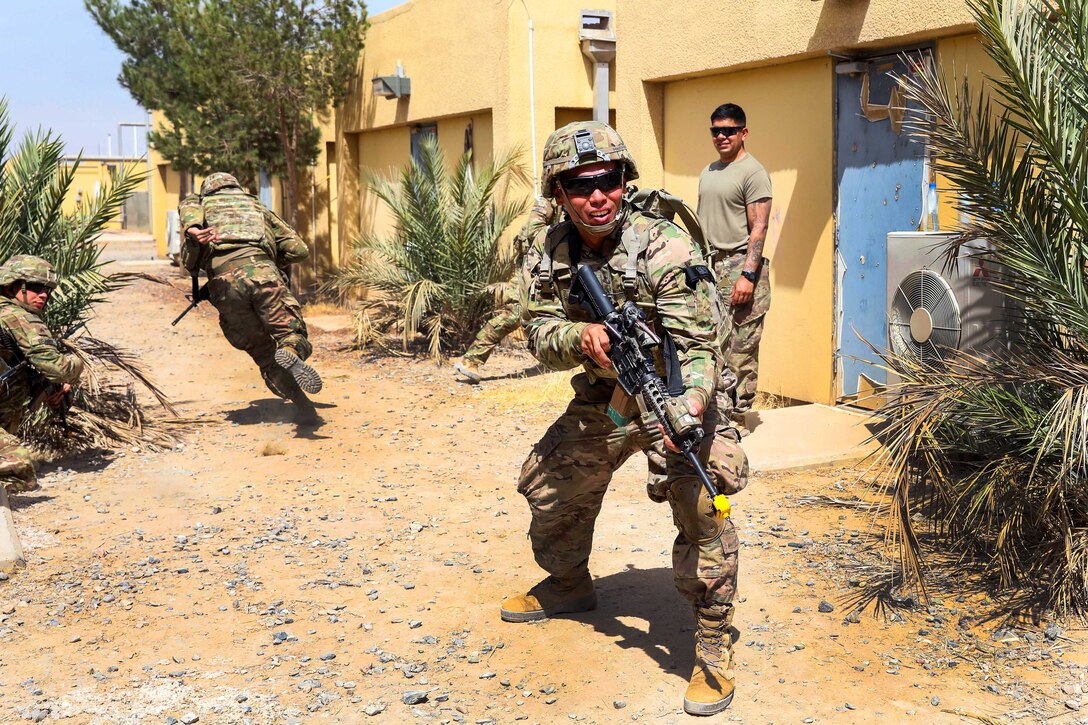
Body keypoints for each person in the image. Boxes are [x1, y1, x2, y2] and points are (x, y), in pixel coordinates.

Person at [500, 121, 749, 716]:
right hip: (605, 397)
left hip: (674, 393)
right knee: (550, 485)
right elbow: (536, 331)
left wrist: (687, 409)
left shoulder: (664, 243)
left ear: (623, 180)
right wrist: (580, 337)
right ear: (558, 192)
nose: (597, 196)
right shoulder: (552, 252)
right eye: (580, 185)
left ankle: (713, 646)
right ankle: (567, 584)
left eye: (608, 181)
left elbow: (698, 345)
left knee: (703, 499)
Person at [179, 173, 322, 419]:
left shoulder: (198, 208)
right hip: (264, 275)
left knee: (263, 353)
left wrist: (195, 238)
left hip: (224, 286)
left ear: (208, 191)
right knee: (291, 334)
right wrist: (268, 259)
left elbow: (190, 265)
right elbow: (299, 250)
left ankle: (303, 407)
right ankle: (290, 350)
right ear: (236, 187)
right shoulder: (257, 206)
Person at [698, 103, 772, 436]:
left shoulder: (753, 172)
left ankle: (738, 420)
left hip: (739, 265)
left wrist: (748, 275)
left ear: (743, 133)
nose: (721, 136)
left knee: (740, 350)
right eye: (716, 130)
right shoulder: (709, 171)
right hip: (710, 268)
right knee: (714, 346)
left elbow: (759, 227)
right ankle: (718, 416)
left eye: (729, 130)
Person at [0, 256, 84, 493]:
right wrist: (79, 364)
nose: (44, 295)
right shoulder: (18, 317)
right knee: (17, 469)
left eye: (46, 289)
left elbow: (13, 368)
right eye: (35, 287)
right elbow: (58, 367)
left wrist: (42, 385)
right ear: (11, 286)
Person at [452, 196, 558, 383]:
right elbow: (533, 231)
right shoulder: (547, 201)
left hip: (551, 271)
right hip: (531, 270)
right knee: (514, 314)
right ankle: (470, 360)